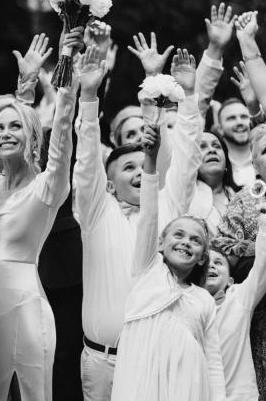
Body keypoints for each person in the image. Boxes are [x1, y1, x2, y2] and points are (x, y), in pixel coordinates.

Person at [73, 45, 202, 400]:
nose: (136, 171)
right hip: (102, 362)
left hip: (154, 358)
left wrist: (188, 96)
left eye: (139, 165)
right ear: (109, 184)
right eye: (126, 167)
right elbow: (85, 162)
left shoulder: (166, 204)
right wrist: (87, 97)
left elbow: (188, 159)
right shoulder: (96, 212)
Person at [0, 30, 81, 401]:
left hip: (24, 310)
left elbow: (63, 128)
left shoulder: (48, 188)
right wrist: (24, 87)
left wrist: (67, 64)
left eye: (15, 126)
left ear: (32, 135)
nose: (5, 133)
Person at [111, 124, 225, 401]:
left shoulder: (203, 300)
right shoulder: (147, 268)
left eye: (196, 241)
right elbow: (150, 212)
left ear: (201, 259)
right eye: (178, 234)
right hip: (142, 383)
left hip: (189, 388)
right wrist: (150, 160)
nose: (186, 242)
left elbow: (213, 363)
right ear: (160, 243)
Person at [205, 219, 266, 401]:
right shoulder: (185, 305)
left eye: (219, 263)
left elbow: (262, 265)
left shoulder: (238, 299)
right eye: (206, 263)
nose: (212, 266)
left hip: (239, 396)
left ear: (230, 281)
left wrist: (264, 221)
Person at [188, 131, 241, 233]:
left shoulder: (243, 196)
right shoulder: (183, 197)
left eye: (216, 146)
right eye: (202, 146)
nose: (212, 150)